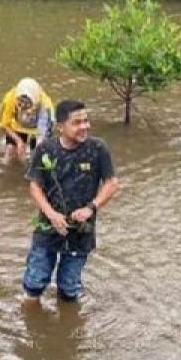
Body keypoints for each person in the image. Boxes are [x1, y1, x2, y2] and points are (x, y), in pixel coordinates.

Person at [22, 100, 119, 303]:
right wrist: (51, 214)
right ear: (61, 127)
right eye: (77, 123)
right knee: (34, 284)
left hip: (80, 231)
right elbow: (34, 186)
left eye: (86, 121)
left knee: (68, 289)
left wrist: (91, 207)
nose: (84, 126)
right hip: (48, 227)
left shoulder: (97, 149)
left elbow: (112, 183)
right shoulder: (46, 150)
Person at [0, 77, 54, 164]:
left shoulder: (46, 106)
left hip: (37, 130)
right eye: (20, 104)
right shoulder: (9, 98)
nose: (23, 106)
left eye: (27, 105)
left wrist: (37, 148)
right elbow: (3, 124)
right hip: (17, 126)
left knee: (36, 155)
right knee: (10, 151)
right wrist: (18, 141)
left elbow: (44, 133)